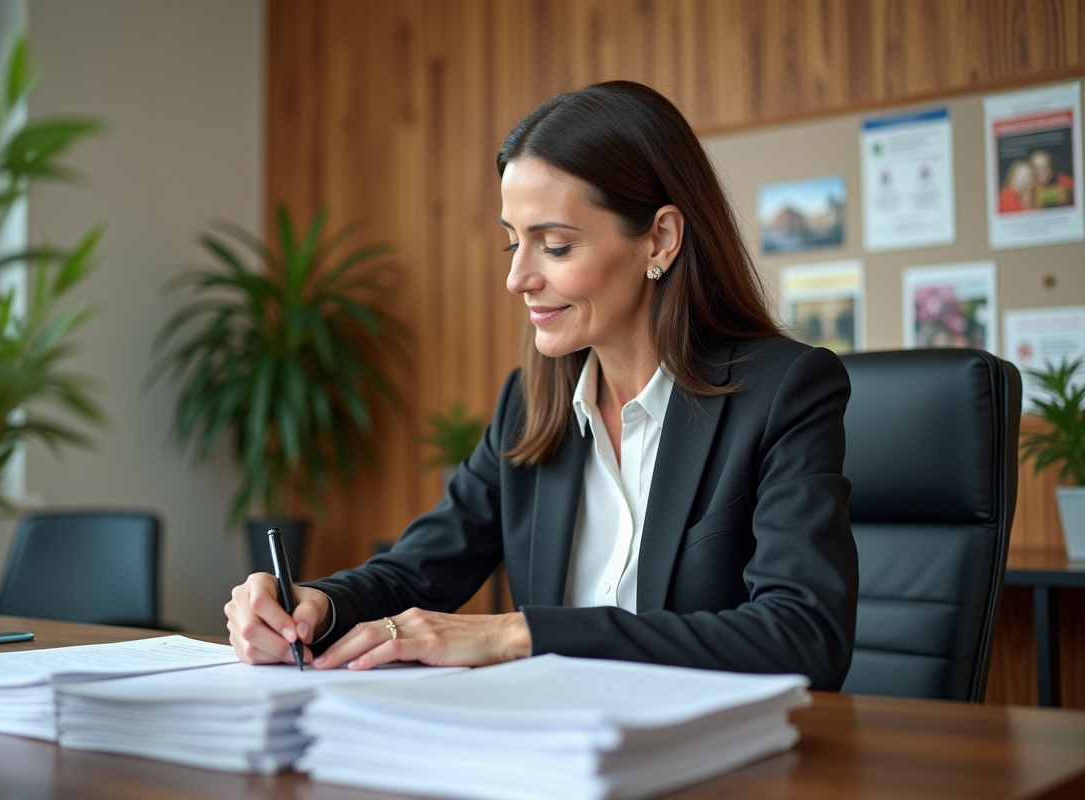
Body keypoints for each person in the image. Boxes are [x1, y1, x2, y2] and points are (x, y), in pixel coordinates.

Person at [225, 81, 859, 691]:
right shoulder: (531, 405)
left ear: (660, 239)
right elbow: (414, 574)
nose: (517, 278)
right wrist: (314, 606)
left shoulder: (783, 391)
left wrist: (519, 634)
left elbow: (804, 636)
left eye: (554, 246)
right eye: (512, 245)